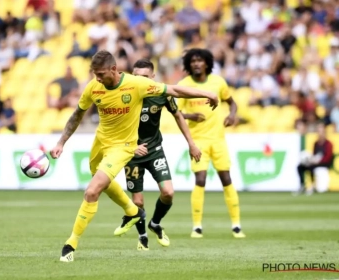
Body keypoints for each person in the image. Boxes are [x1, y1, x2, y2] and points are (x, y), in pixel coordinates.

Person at [50, 50, 219, 263]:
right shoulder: (94, 87)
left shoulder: (137, 84)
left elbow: (174, 90)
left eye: (101, 74)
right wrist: (61, 142)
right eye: (95, 74)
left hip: (123, 147)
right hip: (100, 142)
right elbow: (77, 115)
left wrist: (208, 94)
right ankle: (133, 211)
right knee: (98, 178)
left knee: (92, 191)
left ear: (114, 69)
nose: (97, 79)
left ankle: (70, 244)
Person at [118, 58, 202, 251]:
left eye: (145, 77)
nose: (140, 81)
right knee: (137, 201)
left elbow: (178, 115)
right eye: (137, 77)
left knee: (168, 193)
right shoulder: (124, 95)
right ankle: (143, 237)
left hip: (155, 151)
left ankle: (155, 223)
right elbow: (113, 126)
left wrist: (191, 143)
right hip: (132, 154)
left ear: (153, 77)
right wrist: (128, 147)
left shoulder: (161, 93)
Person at [177, 48, 246, 239]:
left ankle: (236, 225)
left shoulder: (218, 82)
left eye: (200, 60)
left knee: (227, 178)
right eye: (193, 61)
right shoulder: (184, 85)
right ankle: (197, 226)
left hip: (218, 140)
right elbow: (175, 112)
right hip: (198, 140)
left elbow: (232, 102)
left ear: (207, 63)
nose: (196, 64)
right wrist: (190, 115)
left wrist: (232, 115)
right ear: (189, 64)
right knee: (200, 179)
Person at [296, 122, 334, 195]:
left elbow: (328, 157)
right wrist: (312, 159)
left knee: (311, 167)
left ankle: (312, 185)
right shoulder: (316, 143)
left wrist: (318, 161)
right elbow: (314, 154)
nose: (320, 133)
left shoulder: (328, 143)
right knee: (300, 167)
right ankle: (302, 185)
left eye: (321, 131)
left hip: (324, 164)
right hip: (315, 162)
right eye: (318, 131)